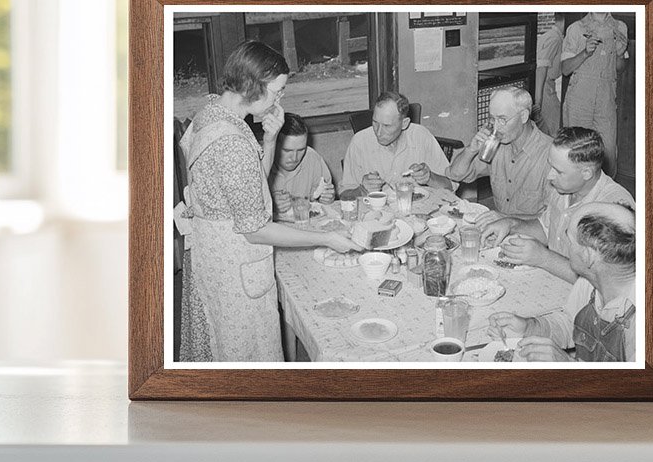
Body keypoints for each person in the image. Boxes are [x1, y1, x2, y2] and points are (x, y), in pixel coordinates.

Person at [181, 41, 359, 362]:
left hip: (212, 258)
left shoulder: (213, 115)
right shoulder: (232, 143)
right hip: (233, 271)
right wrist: (327, 238)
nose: (280, 99)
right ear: (254, 85)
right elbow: (256, 229)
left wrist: (272, 137)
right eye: (277, 91)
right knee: (245, 363)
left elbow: (252, 188)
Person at [488, 201, 637, 362]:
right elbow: (570, 323)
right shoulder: (590, 281)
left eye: (570, 242)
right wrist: (529, 327)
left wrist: (567, 363)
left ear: (588, 256)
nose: (566, 246)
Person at [481, 126, 634, 279]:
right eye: (551, 166)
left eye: (559, 171)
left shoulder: (614, 208)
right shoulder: (564, 187)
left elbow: (605, 282)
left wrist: (543, 258)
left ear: (586, 173)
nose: (550, 176)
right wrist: (511, 224)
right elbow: (547, 228)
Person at [446, 86, 552, 220]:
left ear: (524, 116)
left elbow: (553, 219)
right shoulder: (496, 144)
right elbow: (455, 174)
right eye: (492, 119)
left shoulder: (549, 154)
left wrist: (506, 219)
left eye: (502, 119)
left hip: (531, 235)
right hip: (500, 228)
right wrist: (470, 150)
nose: (496, 127)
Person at [341, 91, 452, 193]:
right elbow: (344, 196)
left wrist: (430, 178)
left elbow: (450, 186)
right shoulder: (359, 142)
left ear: (404, 123)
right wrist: (362, 189)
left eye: (387, 126)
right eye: (375, 122)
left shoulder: (421, 136)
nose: (378, 132)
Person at [561, 11, 628, 175]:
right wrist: (585, 53)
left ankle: (604, 197)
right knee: (576, 151)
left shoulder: (620, 27)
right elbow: (565, 69)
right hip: (579, 100)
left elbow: (620, 68)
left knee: (608, 153)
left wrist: (620, 54)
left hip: (606, 101)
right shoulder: (576, 29)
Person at [268, 113, 334, 218]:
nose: (294, 158)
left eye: (301, 150)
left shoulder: (312, 158)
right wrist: (268, 203)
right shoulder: (257, 162)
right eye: (287, 150)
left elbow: (319, 203)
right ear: (273, 145)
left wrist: (327, 199)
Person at [533, 13, 565, 137]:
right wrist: (538, 101)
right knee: (557, 129)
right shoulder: (554, 39)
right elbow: (541, 68)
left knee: (545, 131)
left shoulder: (551, 36)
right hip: (544, 88)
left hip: (547, 86)